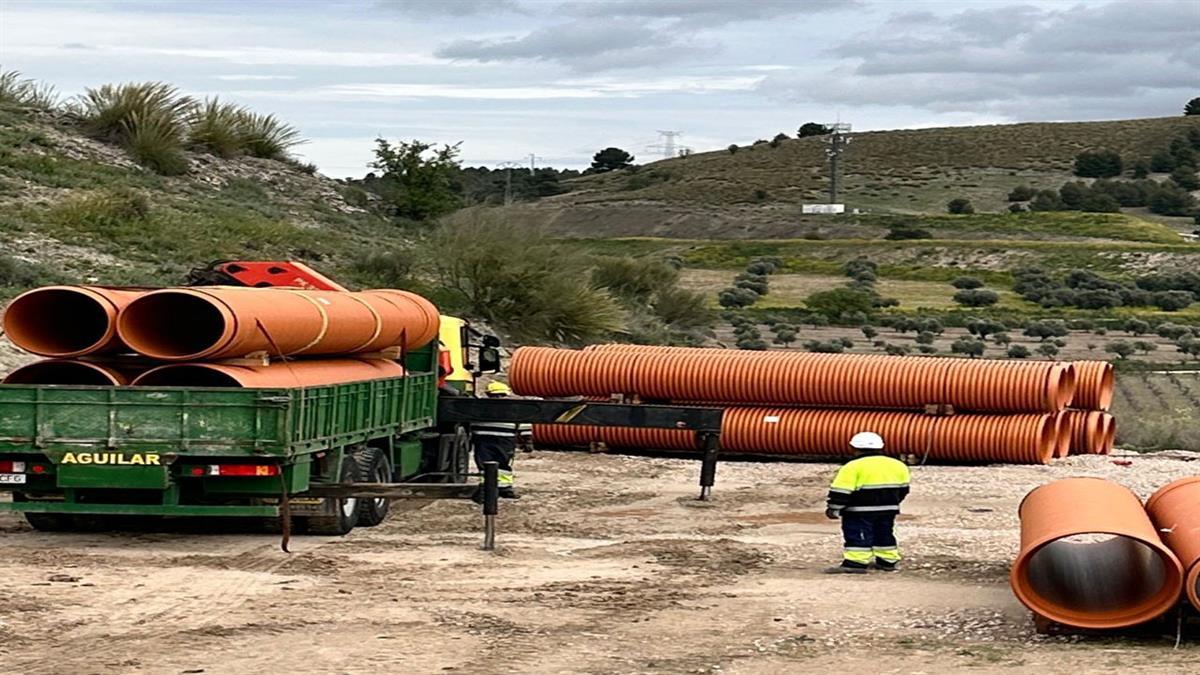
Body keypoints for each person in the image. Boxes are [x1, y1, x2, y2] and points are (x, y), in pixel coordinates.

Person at [824, 431, 911, 574]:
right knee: (884, 533)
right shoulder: (898, 465)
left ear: (854, 448)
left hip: (858, 511)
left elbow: (841, 491)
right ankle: (888, 561)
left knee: (859, 534)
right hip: (888, 509)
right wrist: (892, 503)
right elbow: (903, 489)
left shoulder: (853, 466)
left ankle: (856, 563)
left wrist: (834, 508)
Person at [471, 381, 522, 502]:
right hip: (504, 439)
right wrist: (526, 439)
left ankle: (490, 489)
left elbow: (470, 419)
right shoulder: (514, 407)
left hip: (484, 438)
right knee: (502, 463)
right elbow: (524, 422)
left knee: (486, 463)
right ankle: (501, 488)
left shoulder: (480, 406)